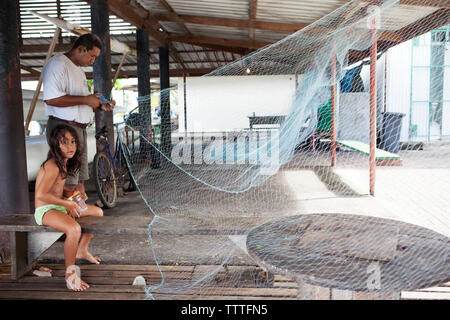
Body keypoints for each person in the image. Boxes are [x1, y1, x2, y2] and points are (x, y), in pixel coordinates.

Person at [42, 33, 115, 202]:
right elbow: (51, 99)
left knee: (79, 182)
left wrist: (98, 105)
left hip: (78, 129)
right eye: (92, 56)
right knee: (65, 182)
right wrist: (86, 99)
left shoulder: (79, 71)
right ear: (81, 49)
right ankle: (63, 219)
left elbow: (80, 103)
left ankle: (77, 217)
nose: (93, 61)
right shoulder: (58, 64)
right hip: (64, 129)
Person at [34, 125, 103, 291]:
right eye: (64, 142)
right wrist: (68, 203)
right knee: (73, 229)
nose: (70, 146)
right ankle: (70, 274)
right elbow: (41, 195)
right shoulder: (53, 165)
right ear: (55, 145)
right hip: (45, 210)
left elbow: (56, 189)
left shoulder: (63, 163)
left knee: (98, 213)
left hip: (59, 205)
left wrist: (72, 194)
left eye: (73, 142)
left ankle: (82, 250)